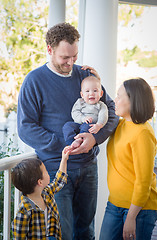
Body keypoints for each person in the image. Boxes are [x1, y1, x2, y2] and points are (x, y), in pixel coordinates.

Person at [17, 22, 119, 240]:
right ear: (50, 49)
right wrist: (63, 144)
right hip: (55, 171)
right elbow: (26, 128)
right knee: (62, 233)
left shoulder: (85, 76)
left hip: (88, 167)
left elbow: (111, 110)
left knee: (86, 231)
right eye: (65, 57)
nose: (71, 62)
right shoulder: (34, 81)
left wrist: (94, 138)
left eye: (74, 56)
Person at [99, 78, 157, 240]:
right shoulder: (120, 124)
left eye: (119, 96)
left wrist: (131, 217)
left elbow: (143, 181)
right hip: (114, 204)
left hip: (139, 210)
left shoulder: (143, 133)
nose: (115, 100)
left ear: (133, 99)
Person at [11, 146, 71, 240]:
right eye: (46, 171)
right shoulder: (24, 210)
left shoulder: (46, 193)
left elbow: (59, 181)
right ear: (40, 182)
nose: (48, 173)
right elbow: (19, 237)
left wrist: (64, 159)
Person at [63, 75, 108, 149]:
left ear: (101, 94)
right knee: (68, 126)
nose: (91, 93)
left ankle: (79, 140)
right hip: (78, 123)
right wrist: (83, 118)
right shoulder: (80, 102)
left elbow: (103, 116)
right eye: (87, 91)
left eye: (95, 91)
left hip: (90, 126)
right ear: (82, 94)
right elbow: (75, 112)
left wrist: (99, 125)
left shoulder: (101, 105)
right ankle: (71, 142)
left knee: (87, 126)